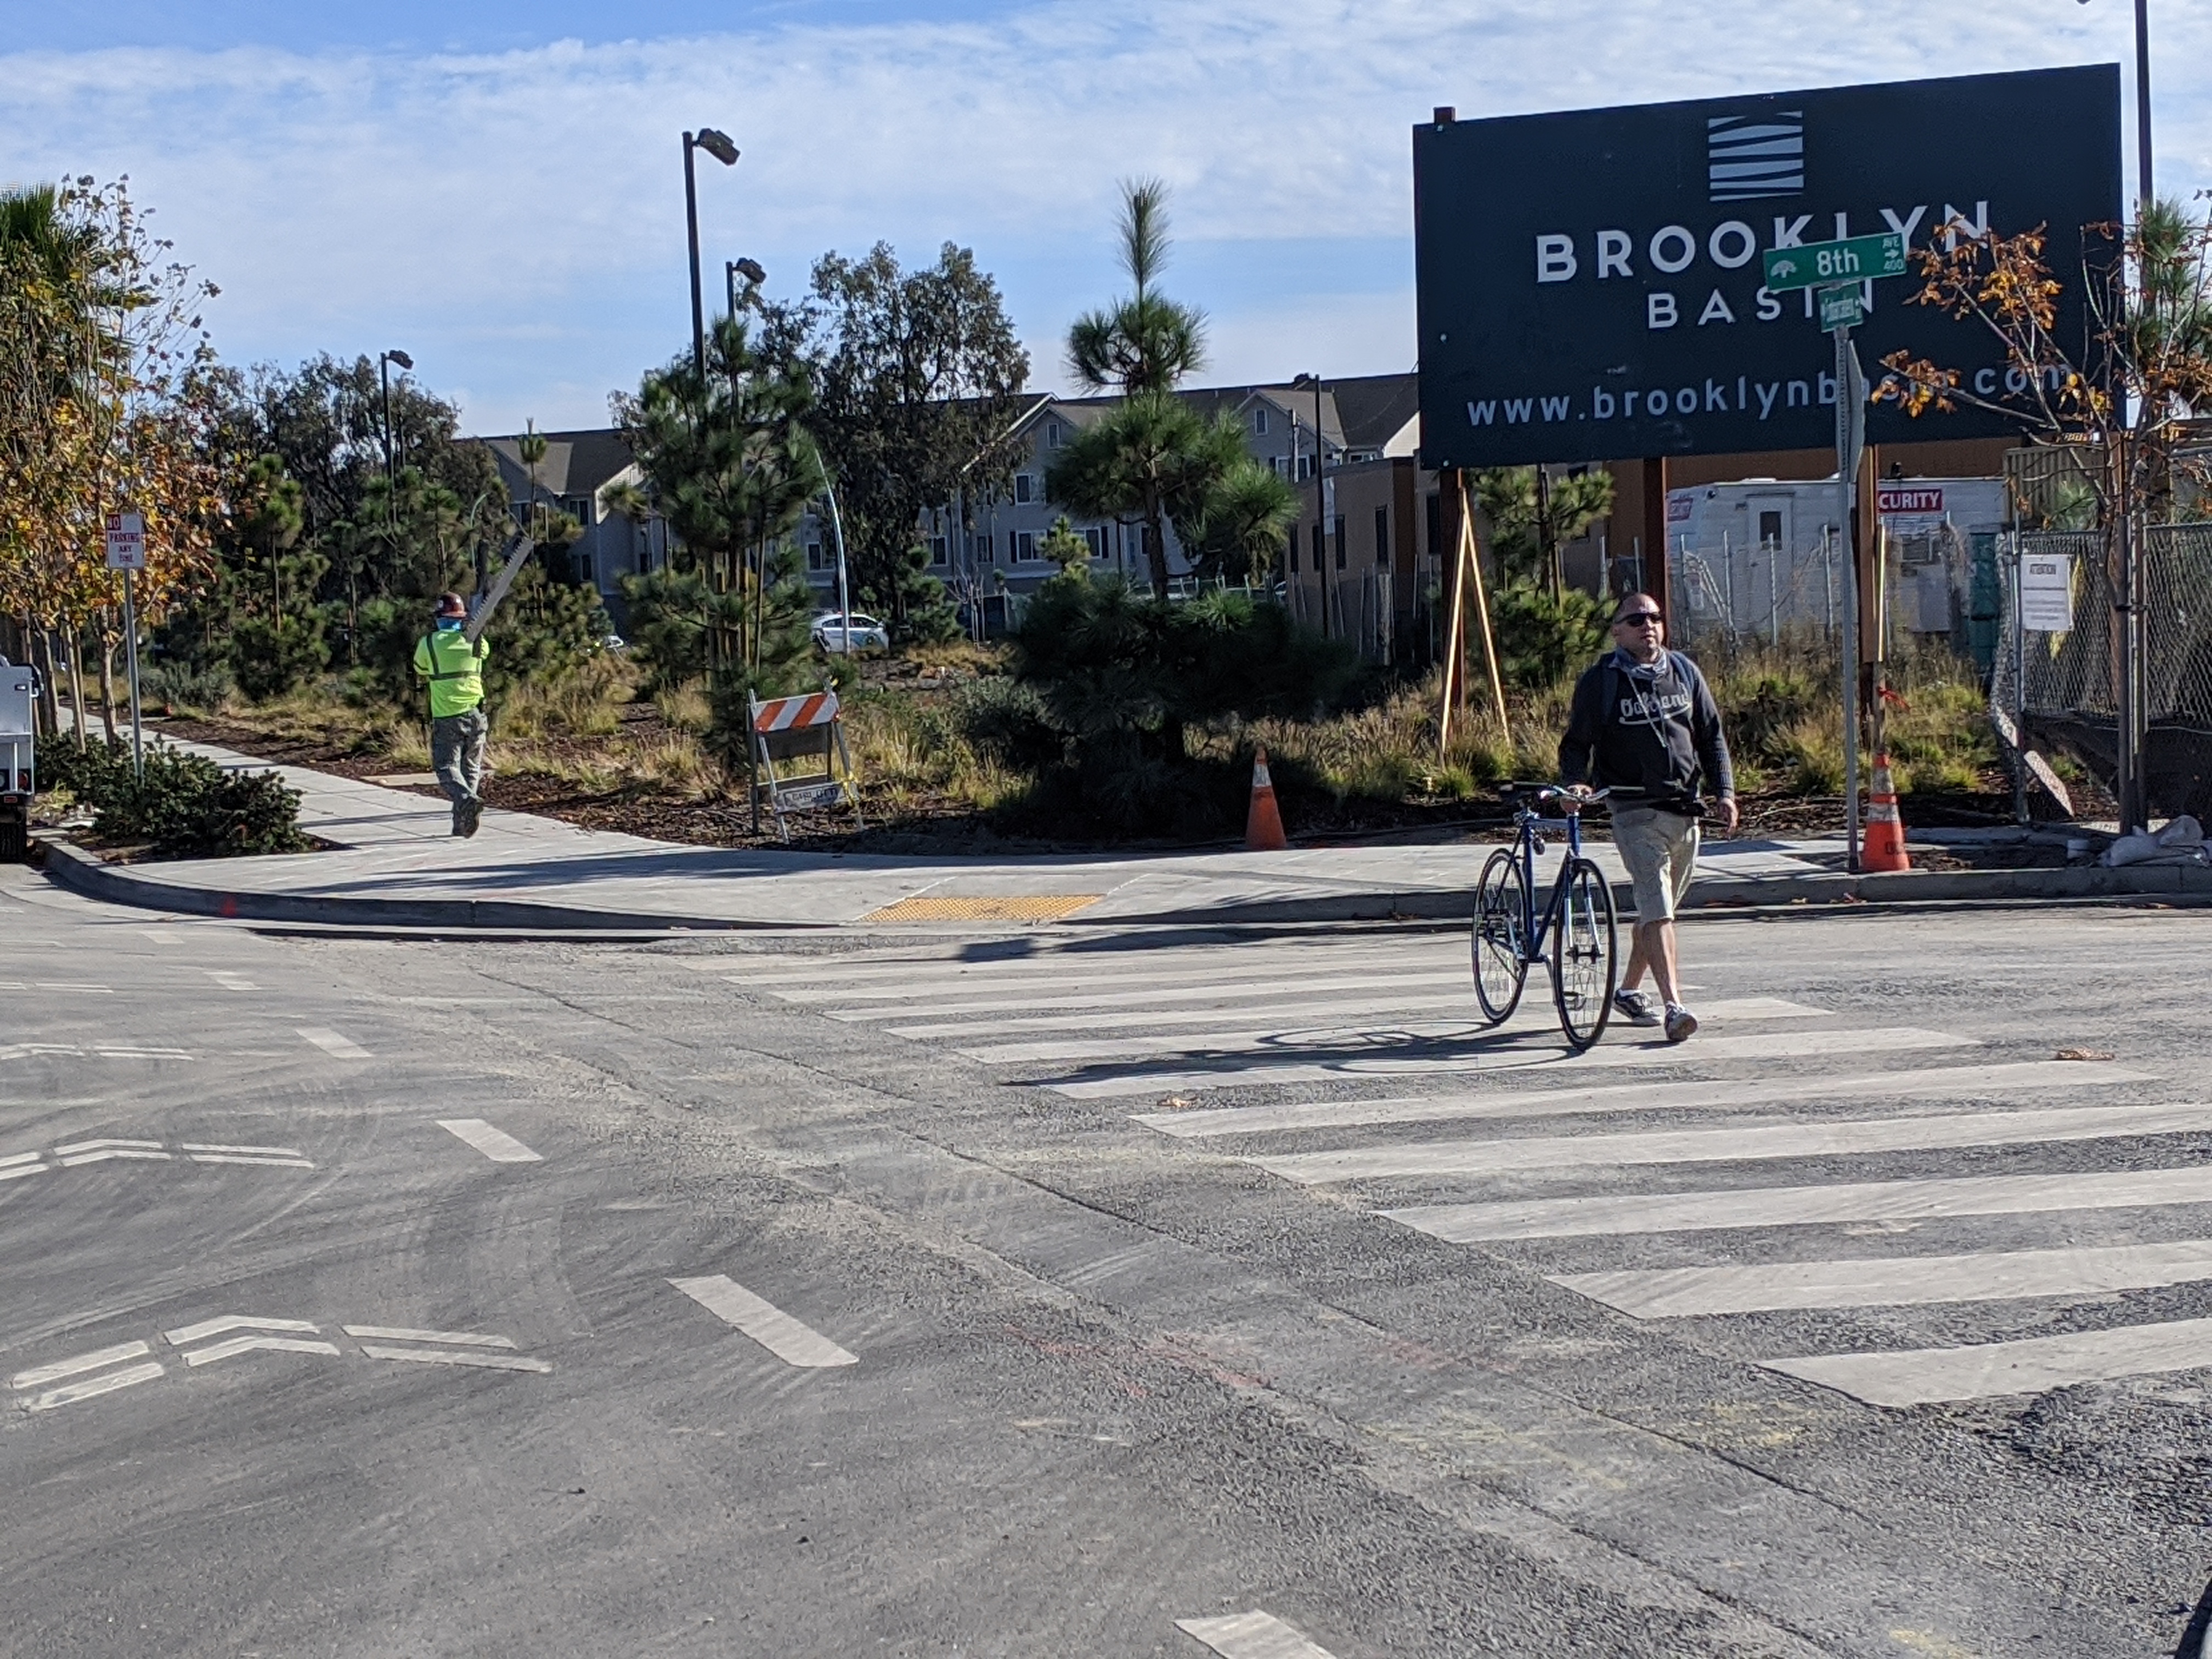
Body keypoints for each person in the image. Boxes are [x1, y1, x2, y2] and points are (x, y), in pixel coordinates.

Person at [1558, 592, 1736, 1044]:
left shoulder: (1684, 672)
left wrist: (1725, 792)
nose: (1649, 626)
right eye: (1636, 619)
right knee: (1657, 909)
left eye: (1656, 617)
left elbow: (1712, 737)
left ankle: (1628, 990)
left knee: (1660, 911)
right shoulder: (1601, 682)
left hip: (1685, 809)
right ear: (1617, 630)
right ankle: (1675, 1007)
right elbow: (1576, 743)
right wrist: (1576, 783)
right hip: (1634, 811)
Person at [413, 592, 490, 838]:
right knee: (471, 769)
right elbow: (484, 655)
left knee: (446, 767)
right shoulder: (477, 641)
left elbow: (419, 667)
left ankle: (467, 800)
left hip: (447, 715)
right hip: (477, 714)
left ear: (438, 619)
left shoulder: (428, 643)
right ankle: (462, 825)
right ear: (461, 618)